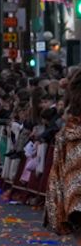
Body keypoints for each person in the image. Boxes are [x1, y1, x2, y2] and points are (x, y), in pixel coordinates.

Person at [45, 70, 81, 235]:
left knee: (70, 178)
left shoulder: (71, 99)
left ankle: (71, 212)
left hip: (72, 139)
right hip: (73, 138)